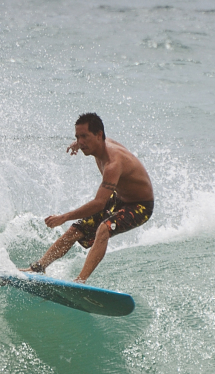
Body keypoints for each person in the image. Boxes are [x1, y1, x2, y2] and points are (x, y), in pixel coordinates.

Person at [24, 113, 154, 283]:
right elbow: (92, 140)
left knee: (104, 228)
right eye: (77, 137)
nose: (80, 141)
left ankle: (80, 281)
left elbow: (99, 204)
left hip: (140, 206)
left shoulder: (113, 164)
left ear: (99, 135)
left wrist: (64, 217)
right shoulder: (100, 144)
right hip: (120, 197)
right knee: (75, 230)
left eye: (84, 136)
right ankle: (38, 268)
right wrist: (79, 144)